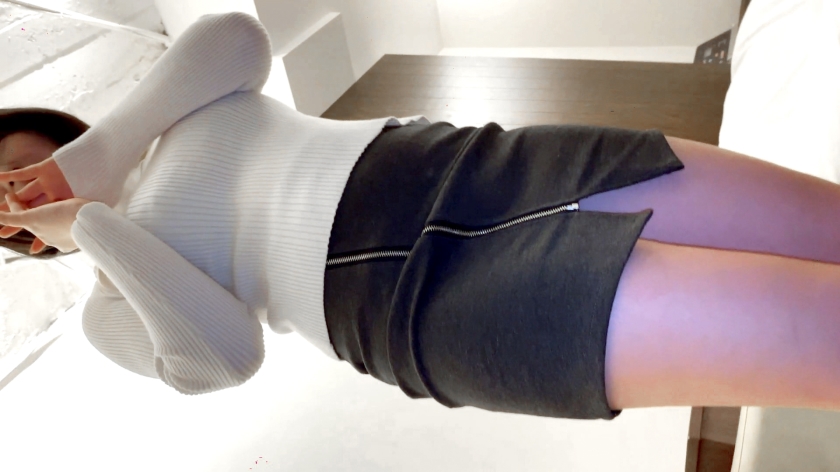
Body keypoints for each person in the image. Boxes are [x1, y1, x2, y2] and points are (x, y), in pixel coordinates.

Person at [2, 11, 840, 421]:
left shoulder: (166, 115)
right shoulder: (107, 310)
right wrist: (92, 227)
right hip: (428, 306)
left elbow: (237, 37)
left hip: (479, 165)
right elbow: (223, 356)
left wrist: (98, 156)